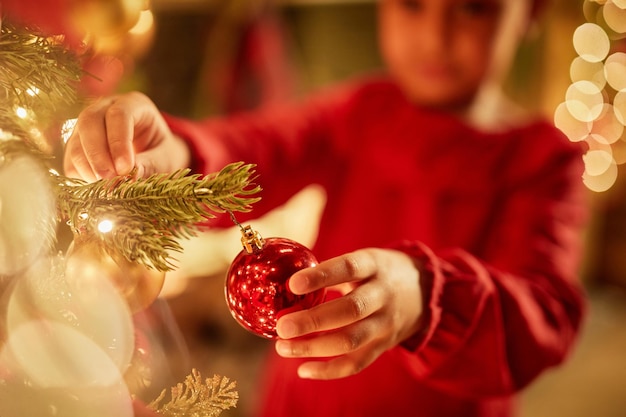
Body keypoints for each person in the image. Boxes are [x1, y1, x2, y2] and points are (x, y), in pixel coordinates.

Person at [63, 0, 588, 416]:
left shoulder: (543, 160)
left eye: (474, 7)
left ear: (532, 11)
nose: (436, 36)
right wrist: (172, 156)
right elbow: (261, 147)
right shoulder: (358, 115)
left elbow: (543, 316)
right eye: (411, 4)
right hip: (305, 402)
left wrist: (426, 295)